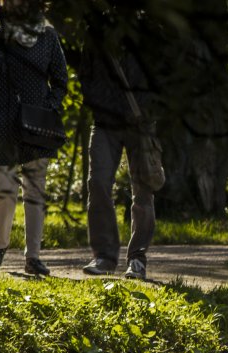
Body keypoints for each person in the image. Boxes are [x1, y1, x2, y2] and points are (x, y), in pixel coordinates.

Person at [0, 0, 68, 275]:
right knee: (4, 189)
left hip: (36, 126)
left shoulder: (48, 37)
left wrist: (48, 108)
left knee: (35, 191)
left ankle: (33, 257)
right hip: (1, 126)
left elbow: (60, 80)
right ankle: (1, 245)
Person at [78, 20, 159, 280]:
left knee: (143, 191)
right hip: (104, 122)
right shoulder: (96, 28)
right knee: (98, 183)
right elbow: (85, 75)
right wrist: (100, 104)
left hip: (141, 122)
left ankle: (137, 258)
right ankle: (104, 256)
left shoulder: (150, 27)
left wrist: (146, 108)